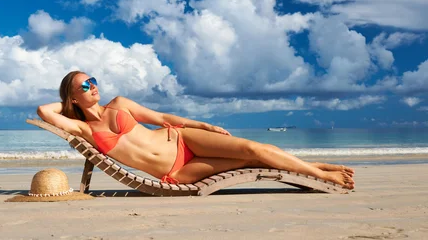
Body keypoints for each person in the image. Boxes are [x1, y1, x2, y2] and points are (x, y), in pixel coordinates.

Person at [37, 71, 355, 188]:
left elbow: (162, 118)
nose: (94, 86)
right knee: (250, 163)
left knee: (253, 150)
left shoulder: (120, 104)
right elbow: (44, 110)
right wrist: (67, 101)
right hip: (178, 170)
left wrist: (202, 124)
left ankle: (322, 174)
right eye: (85, 85)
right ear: (73, 95)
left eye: (93, 80)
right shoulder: (83, 128)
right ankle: (316, 167)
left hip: (180, 137)